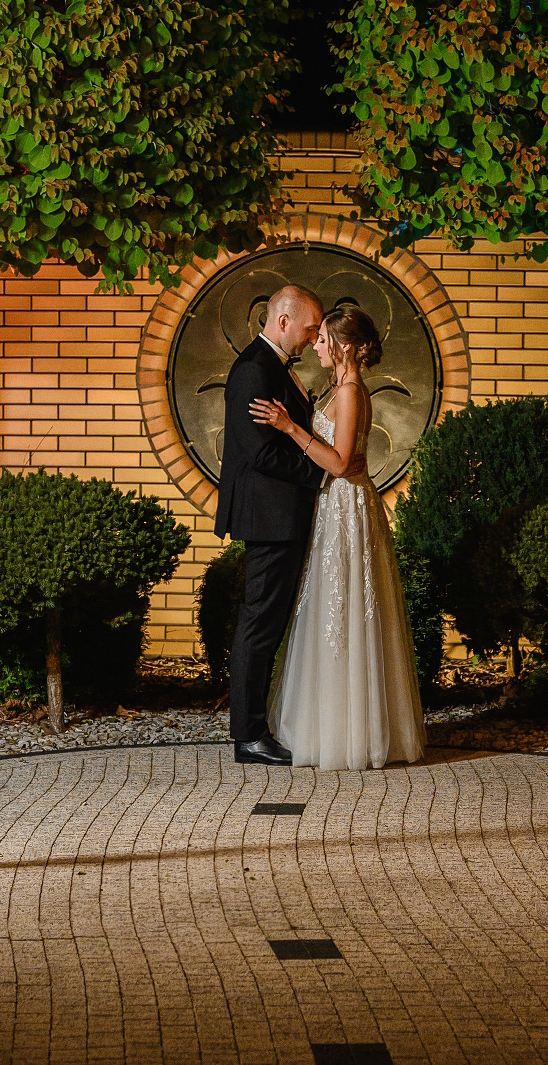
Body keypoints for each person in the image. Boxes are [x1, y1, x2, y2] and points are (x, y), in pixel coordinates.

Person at [251, 298, 426, 770]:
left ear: (345, 347)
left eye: (324, 339)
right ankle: (331, 725)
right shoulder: (340, 388)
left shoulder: (350, 392)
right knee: (332, 608)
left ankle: (349, 734)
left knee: (344, 607)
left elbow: (341, 462)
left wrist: (290, 428)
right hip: (334, 504)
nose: (316, 346)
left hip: (346, 503)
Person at [215, 282, 325, 765]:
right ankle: (249, 736)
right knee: (259, 623)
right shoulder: (253, 371)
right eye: (309, 328)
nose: (312, 338)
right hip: (269, 517)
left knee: (268, 622)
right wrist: (320, 475)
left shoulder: (272, 367)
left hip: (281, 515)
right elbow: (259, 452)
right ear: (283, 321)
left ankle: (257, 729)